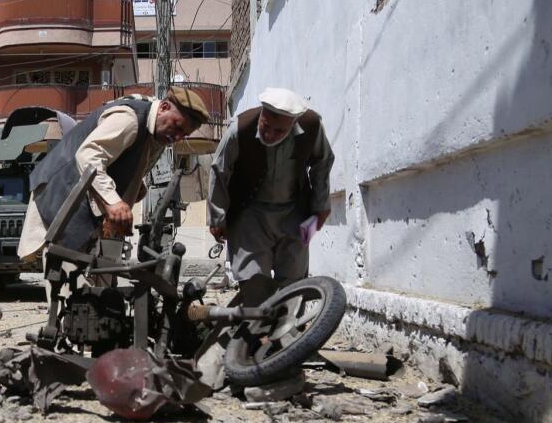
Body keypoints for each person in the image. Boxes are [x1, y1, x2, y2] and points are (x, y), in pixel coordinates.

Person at [17, 87, 209, 258]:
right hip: (61, 191)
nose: (177, 136)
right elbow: (89, 155)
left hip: (83, 200)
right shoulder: (130, 119)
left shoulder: (154, 133)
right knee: (70, 279)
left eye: (184, 134)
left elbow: (120, 160)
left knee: (97, 278)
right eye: (177, 126)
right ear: (164, 108)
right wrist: (113, 201)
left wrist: (135, 186)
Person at [207, 88, 334, 305]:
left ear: (293, 123)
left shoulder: (312, 126)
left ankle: (288, 334)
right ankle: (258, 334)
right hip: (249, 213)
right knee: (254, 280)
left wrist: (321, 205)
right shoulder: (241, 128)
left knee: (294, 281)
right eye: (266, 126)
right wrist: (217, 218)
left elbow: (323, 162)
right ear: (262, 114)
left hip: (296, 213)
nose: (269, 135)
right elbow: (219, 170)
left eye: (279, 131)